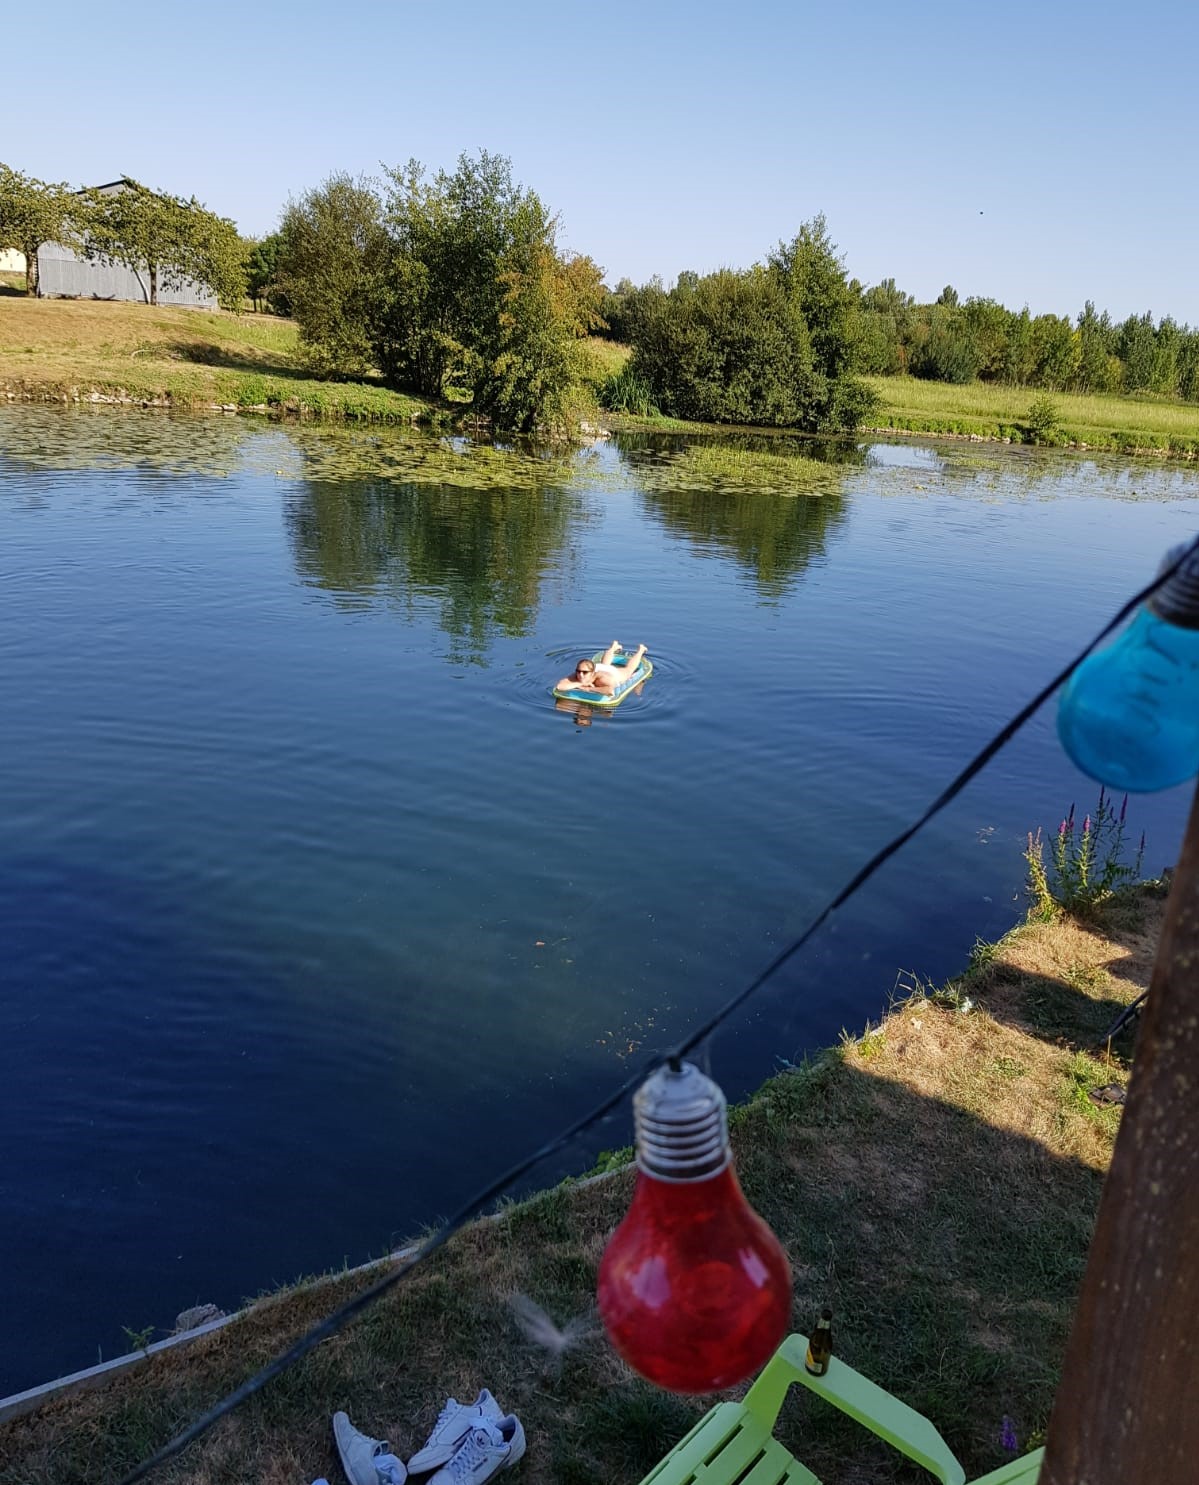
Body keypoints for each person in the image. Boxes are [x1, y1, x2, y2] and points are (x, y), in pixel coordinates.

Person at [557, 641, 647, 694]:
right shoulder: (578, 675)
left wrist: (588, 688)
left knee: (628, 670)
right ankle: (613, 647)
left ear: (592, 673)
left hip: (613, 674)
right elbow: (560, 686)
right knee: (605, 664)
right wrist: (580, 684)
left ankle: (641, 650)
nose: (580, 675)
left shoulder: (602, 679)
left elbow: (610, 690)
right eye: (578, 671)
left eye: (584, 672)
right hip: (600, 667)